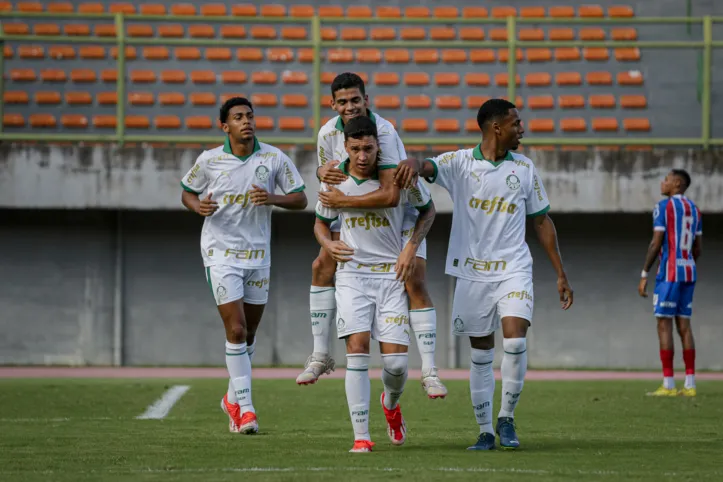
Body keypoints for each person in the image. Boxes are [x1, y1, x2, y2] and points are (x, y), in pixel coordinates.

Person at [410, 99, 573, 451]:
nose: (522, 128)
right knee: (482, 354)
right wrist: (410, 164)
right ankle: (485, 431)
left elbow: (542, 220)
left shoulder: (525, 168)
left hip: (514, 267)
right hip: (472, 274)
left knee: (514, 341)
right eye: (516, 123)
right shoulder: (460, 163)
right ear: (497, 127)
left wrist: (560, 273)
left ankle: (506, 418)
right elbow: (426, 167)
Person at [297, 72, 447, 399]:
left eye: (355, 100)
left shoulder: (385, 131)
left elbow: (391, 194)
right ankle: (321, 354)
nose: (350, 106)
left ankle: (430, 370)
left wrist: (344, 201)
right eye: (343, 101)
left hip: (399, 213)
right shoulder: (326, 134)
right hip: (355, 210)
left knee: (415, 276)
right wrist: (324, 175)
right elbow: (329, 175)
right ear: (332, 104)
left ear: (367, 100)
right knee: (322, 263)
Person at [180, 97, 307, 433]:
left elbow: (301, 198)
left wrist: (273, 198)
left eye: (250, 116)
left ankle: (231, 398)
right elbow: (187, 192)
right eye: (238, 117)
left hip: (258, 257)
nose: (246, 121)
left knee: (249, 334)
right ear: (225, 126)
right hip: (221, 254)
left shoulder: (274, 158)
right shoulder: (210, 160)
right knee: (235, 330)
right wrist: (197, 207)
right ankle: (247, 410)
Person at [315, 116, 436, 452]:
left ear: (378, 146)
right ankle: (361, 437)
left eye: (368, 148)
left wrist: (410, 247)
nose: (363, 155)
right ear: (346, 148)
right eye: (356, 148)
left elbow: (428, 210)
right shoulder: (334, 180)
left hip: (390, 276)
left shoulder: (398, 177)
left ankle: (391, 404)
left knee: (396, 366)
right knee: (356, 348)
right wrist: (328, 244)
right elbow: (320, 224)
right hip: (353, 275)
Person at [638, 169, 702, 397]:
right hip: (689, 272)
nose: (662, 183)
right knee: (684, 326)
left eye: (666, 179)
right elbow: (698, 248)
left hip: (670, 273)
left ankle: (668, 384)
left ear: (676, 183)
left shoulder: (663, 207)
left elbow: (656, 243)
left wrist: (645, 272)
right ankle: (691, 384)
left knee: (663, 324)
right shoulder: (695, 210)